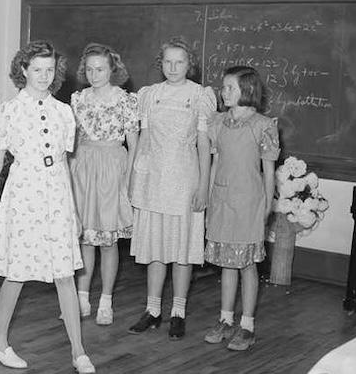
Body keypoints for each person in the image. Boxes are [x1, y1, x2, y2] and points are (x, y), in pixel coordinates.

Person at [0, 40, 96, 373]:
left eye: (49, 70)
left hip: (57, 195)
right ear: (23, 70)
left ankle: (79, 352)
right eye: (37, 69)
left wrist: (73, 212)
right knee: (16, 274)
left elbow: (66, 165)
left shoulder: (65, 112)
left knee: (65, 273)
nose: (44, 76)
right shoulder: (10, 109)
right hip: (23, 193)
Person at [128, 37, 216, 340]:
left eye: (179, 62)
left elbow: (205, 146)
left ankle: (177, 311)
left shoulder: (200, 95)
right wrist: (134, 180)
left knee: (181, 251)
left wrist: (203, 185)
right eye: (168, 62)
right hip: (153, 179)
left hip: (185, 178)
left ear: (189, 64)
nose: (173, 67)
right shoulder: (149, 94)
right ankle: (152, 310)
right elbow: (142, 140)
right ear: (160, 63)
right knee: (155, 248)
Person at [203, 66, 279, 351]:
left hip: (249, 203)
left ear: (247, 91)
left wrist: (268, 205)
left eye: (229, 88)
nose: (223, 92)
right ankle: (225, 319)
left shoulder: (263, 125)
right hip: (222, 201)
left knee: (247, 264)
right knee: (226, 263)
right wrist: (210, 199)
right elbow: (213, 164)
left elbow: (269, 171)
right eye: (223, 87)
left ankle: (246, 325)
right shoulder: (218, 122)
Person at [69, 43, 138, 326]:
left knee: (108, 240)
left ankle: (106, 300)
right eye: (89, 69)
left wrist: (129, 179)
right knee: (85, 236)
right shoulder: (77, 99)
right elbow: (71, 140)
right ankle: (82, 296)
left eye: (100, 69)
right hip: (84, 167)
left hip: (112, 167)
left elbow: (134, 145)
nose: (94, 74)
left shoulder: (125, 100)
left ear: (113, 70)